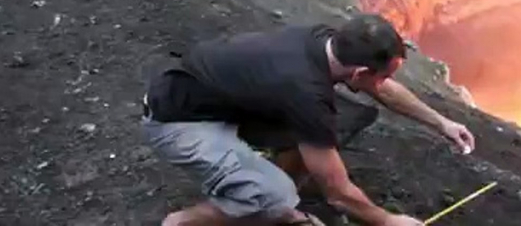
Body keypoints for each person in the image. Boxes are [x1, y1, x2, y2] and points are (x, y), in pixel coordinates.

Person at [141, 13, 476, 226]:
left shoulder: (327, 41)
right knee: (275, 197)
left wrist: (441, 123)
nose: (381, 85)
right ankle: (188, 221)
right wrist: (389, 221)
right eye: (379, 77)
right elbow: (338, 194)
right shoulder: (305, 92)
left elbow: (382, 90)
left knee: (335, 121)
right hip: (178, 121)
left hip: (217, 95)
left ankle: (269, 194)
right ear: (360, 71)